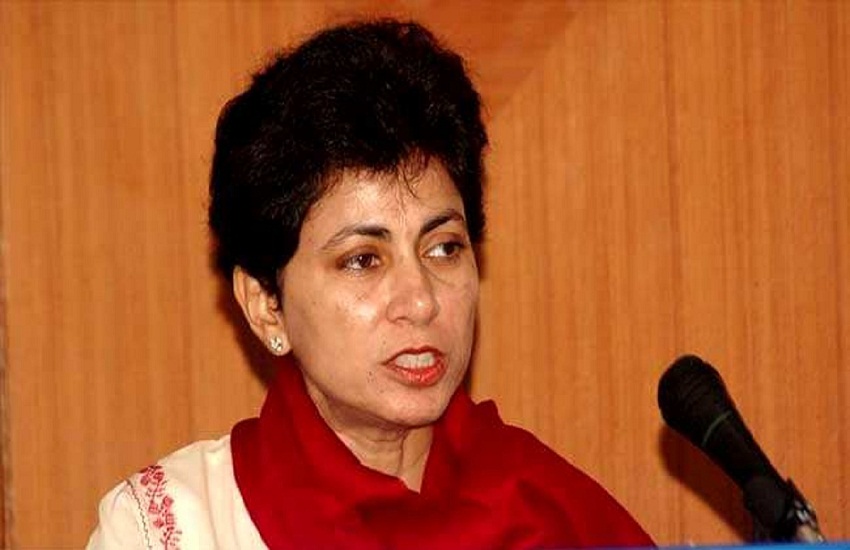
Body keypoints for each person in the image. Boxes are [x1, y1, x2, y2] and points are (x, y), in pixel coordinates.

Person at [88, 19, 654, 549]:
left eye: (444, 248)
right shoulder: (176, 529)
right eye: (363, 260)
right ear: (265, 305)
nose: (421, 301)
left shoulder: (556, 514)